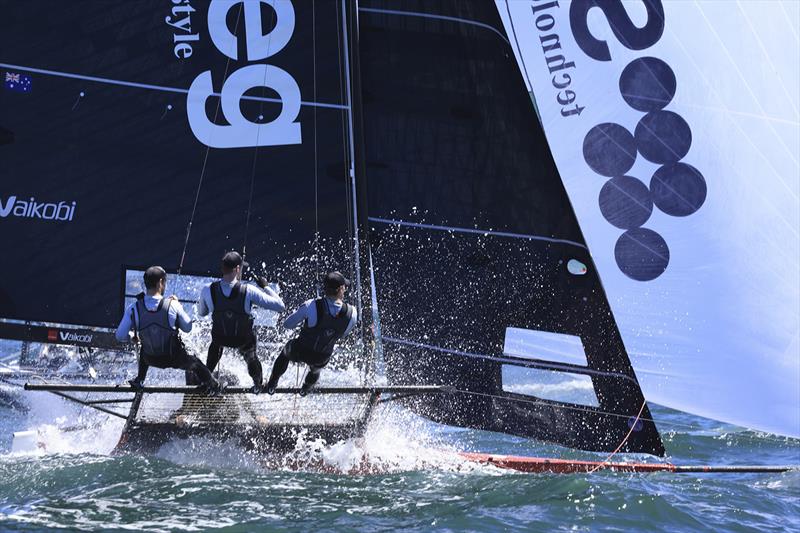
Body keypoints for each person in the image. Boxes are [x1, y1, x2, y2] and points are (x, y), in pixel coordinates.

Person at [115, 266, 219, 392]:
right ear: (160, 282)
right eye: (165, 282)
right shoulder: (173, 305)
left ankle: (140, 379)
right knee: (196, 364)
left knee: (144, 345)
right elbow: (188, 328)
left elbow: (120, 336)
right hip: (174, 359)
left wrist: (132, 337)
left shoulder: (134, 308)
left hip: (150, 359)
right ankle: (214, 386)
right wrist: (178, 306)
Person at [197, 251, 285, 393]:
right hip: (242, 340)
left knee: (216, 343)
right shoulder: (249, 290)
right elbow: (280, 306)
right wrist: (265, 286)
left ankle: (207, 381)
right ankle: (258, 384)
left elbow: (202, 313)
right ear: (238, 269)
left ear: (222, 268)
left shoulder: (208, 289)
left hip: (221, 338)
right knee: (251, 355)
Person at [266, 271, 357, 396]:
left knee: (285, 352)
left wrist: (305, 320)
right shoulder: (352, 313)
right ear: (341, 289)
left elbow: (287, 325)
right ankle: (306, 389)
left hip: (301, 351)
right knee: (316, 368)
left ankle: (272, 384)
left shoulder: (311, 305)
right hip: (322, 356)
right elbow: (342, 334)